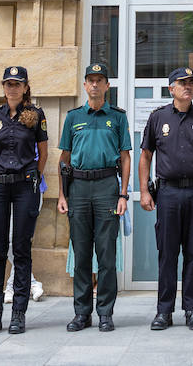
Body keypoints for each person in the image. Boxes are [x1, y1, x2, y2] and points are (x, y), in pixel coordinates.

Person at [140, 67, 193, 331]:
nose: (188, 86)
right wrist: (143, 190)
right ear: (171, 88)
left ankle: (192, 309)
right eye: (182, 83)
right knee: (167, 253)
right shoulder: (157, 118)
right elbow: (145, 156)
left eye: (191, 83)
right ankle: (164, 311)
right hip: (168, 193)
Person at [57, 62, 130, 333]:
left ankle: (106, 313)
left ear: (107, 86)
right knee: (82, 254)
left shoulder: (118, 117)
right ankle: (82, 313)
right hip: (78, 189)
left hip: (107, 188)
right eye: (91, 80)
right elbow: (63, 159)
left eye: (100, 80)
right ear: (85, 85)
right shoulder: (73, 117)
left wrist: (123, 194)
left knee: (107, 254)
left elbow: (125, 158)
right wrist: (62, 195)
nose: (96, 85)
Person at [0, 66, 47, 335]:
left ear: (25, 87)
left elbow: (42, 153)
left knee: (21, 248)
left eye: (17, 84)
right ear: (4, 87)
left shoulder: (35, 115)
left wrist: (32, 176)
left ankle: (18, 313)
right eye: (8, 84)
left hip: (24, 186)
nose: (12, 88)